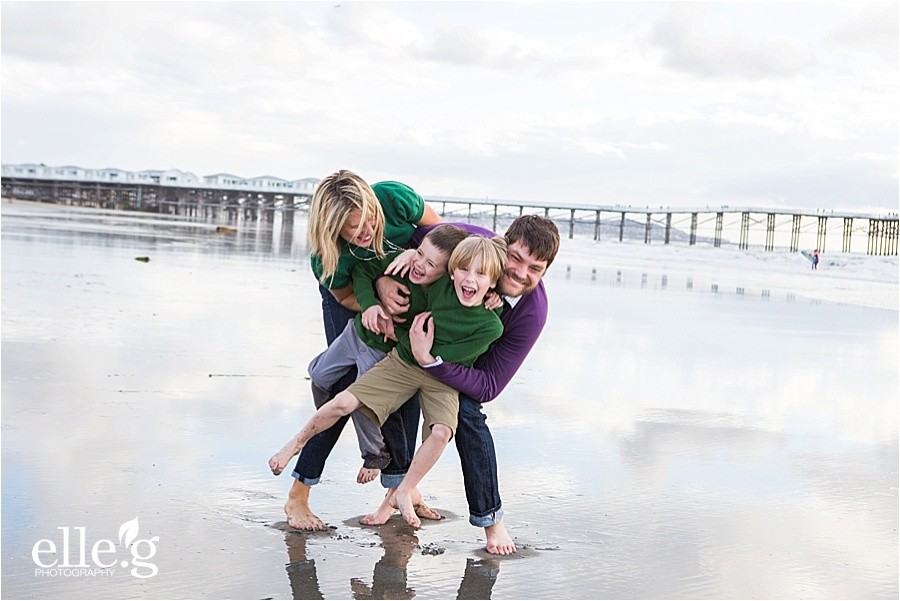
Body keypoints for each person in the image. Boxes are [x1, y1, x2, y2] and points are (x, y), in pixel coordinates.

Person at [269, 235, 509, 528]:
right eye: (463, 270)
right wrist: (408, 258)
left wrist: (420, 349)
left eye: (481, 275)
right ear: (451, 271)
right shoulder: (439, 284)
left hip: (442, 378)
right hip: (404, 361)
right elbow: (380, 267)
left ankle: (404, 491)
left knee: (442, 432)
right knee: (344, 399)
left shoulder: (491, 325)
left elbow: (448, 359)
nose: (469, 279)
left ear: (494, 283)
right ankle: (296, 443)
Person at [370, 215, 560, 555]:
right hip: (420, 333)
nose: (520, 272)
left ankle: (491, 519)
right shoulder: (470, 243)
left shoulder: (531, 313)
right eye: (515, 258)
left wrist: (432, 363)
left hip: (457, 366)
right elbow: (421, 235)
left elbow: (488, 386)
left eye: (535, 268)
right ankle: (397, 488)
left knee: (468, 415)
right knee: (392, 375)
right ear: (502, 247)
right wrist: (390, 274)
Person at [286, 170, 442, 529]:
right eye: (354, 229)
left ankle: (404, 487)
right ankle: (299, 495)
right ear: (333, 230)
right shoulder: (328, 259)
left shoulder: (394, 198)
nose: (367, 230)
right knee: (349, 391)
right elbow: (345, 296)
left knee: (407, 384)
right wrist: (377, 300)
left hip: (403, 289)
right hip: (352, 301)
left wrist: (402, 270)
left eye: (369, 219)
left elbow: (444, 238)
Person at [306, 224, 469, 484]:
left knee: (362, 401)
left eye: (431, 264)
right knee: (317, 374)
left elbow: (421, 338)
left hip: (381, 349)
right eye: (420, 254)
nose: (420, 265)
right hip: (355, 333)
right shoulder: (402, 262)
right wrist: (370, 304)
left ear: (446, 273)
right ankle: (327, 414)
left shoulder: (435, 301)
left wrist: (397, 336)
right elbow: (363, 271)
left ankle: (374, 453)